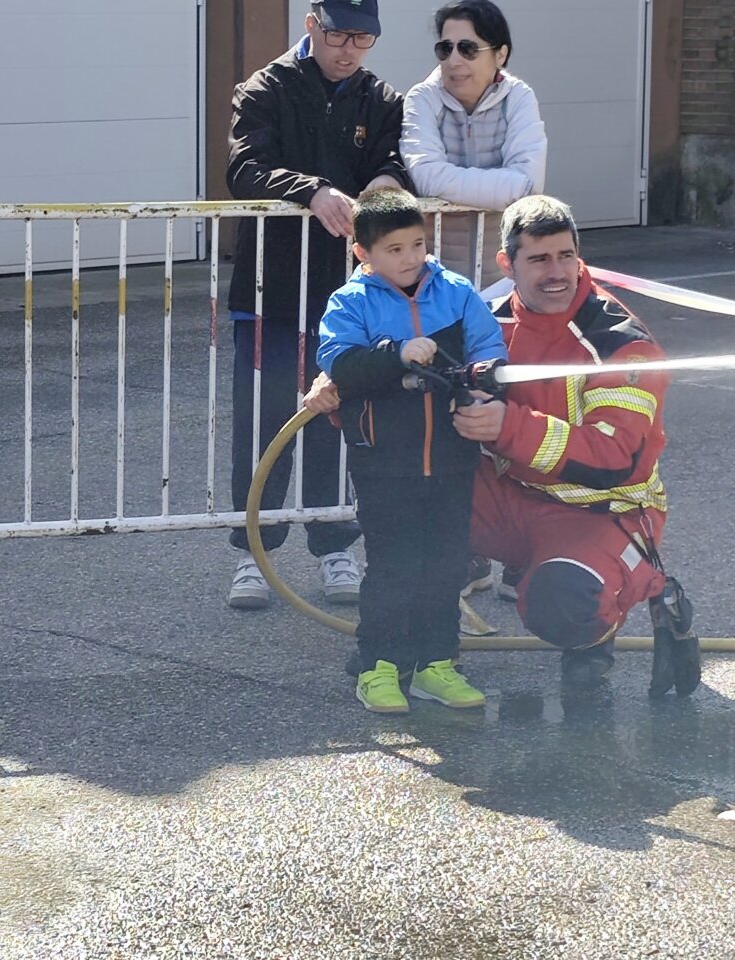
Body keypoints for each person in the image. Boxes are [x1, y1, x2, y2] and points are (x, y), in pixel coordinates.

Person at [451, 195, 699, 692]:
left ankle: (628, 602)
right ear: (507, 264)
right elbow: (413, 369)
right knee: (409, 503)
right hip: (510, 496)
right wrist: (339, 379)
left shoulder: (621, 342)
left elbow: (614, 459)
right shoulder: (482, 319)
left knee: (565, 601)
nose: (556, 272)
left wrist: (506, 426)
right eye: (539, 259)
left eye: (566, 256)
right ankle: (426, 646)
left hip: (604, 510)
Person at [225, 0, 412, 610]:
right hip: (269, 291)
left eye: (364, 38)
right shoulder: (264, 88)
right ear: (312, 26)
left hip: (347, 295)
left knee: (343, 411)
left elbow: (391, 158)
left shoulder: (380, 98)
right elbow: (243, 167)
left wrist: (387, 182)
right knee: (265, 416)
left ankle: (336, 545)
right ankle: (253, 552)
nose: (349, 50)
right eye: (339, 35)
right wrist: (313, 190)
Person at [314, 187, 506, 713]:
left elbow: (490, 349)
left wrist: (482, 386)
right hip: (384, 458)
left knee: (446, 563)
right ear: (364, 254)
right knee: (394, 564)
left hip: (452, 454)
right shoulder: (350, 303)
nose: (410, 258)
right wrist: (397, 354)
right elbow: (341, 364)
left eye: (418, 245)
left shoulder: (458, 292)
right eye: (394, 249)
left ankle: (436, 664)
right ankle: (378, 666)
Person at [400, 0, 546, 287]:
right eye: (445, 49)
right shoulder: (422, 98)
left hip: (502, 277)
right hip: (432, 278)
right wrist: (505, 185)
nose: (454, 60)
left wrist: (449, 180)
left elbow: (529, 184)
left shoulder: (518, 97)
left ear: (500, 54)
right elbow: (425, 176)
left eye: (467, 49)